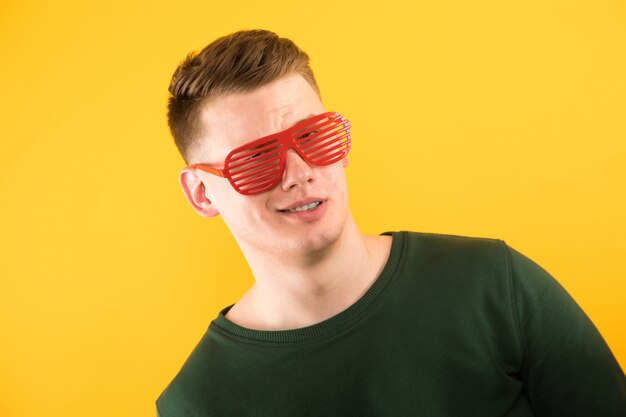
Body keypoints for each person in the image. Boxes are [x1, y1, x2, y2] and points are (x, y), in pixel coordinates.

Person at [157, 30, 625, 416]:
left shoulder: (492, 283)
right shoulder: (197, 404)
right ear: (201, 193)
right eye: (256, 158)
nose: (300, 172)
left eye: (313, 136)